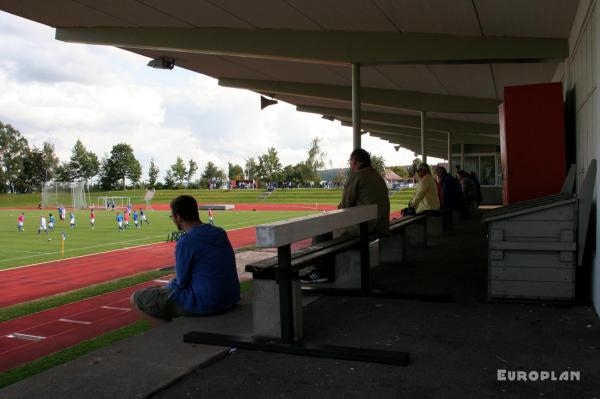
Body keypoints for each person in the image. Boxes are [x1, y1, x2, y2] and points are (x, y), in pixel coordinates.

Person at [130, 195, 240, 322]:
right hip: (231, 297)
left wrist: (167, 286)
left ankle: (171, 337)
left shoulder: (186, 241)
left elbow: (181, 282)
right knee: (161, 292)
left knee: (136, 298)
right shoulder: (219, 232)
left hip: (207, 302)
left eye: (173, 217)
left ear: (178, 217)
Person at [302, 148, 390, 283]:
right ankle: (324, 268)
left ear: (356, 161)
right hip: (381, 224)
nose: (350, 164)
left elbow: (345, 204)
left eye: (350, 161)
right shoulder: (377, 176)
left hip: (366, 226)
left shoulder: (357, 176)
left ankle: (321, 271)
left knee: (322, 228)